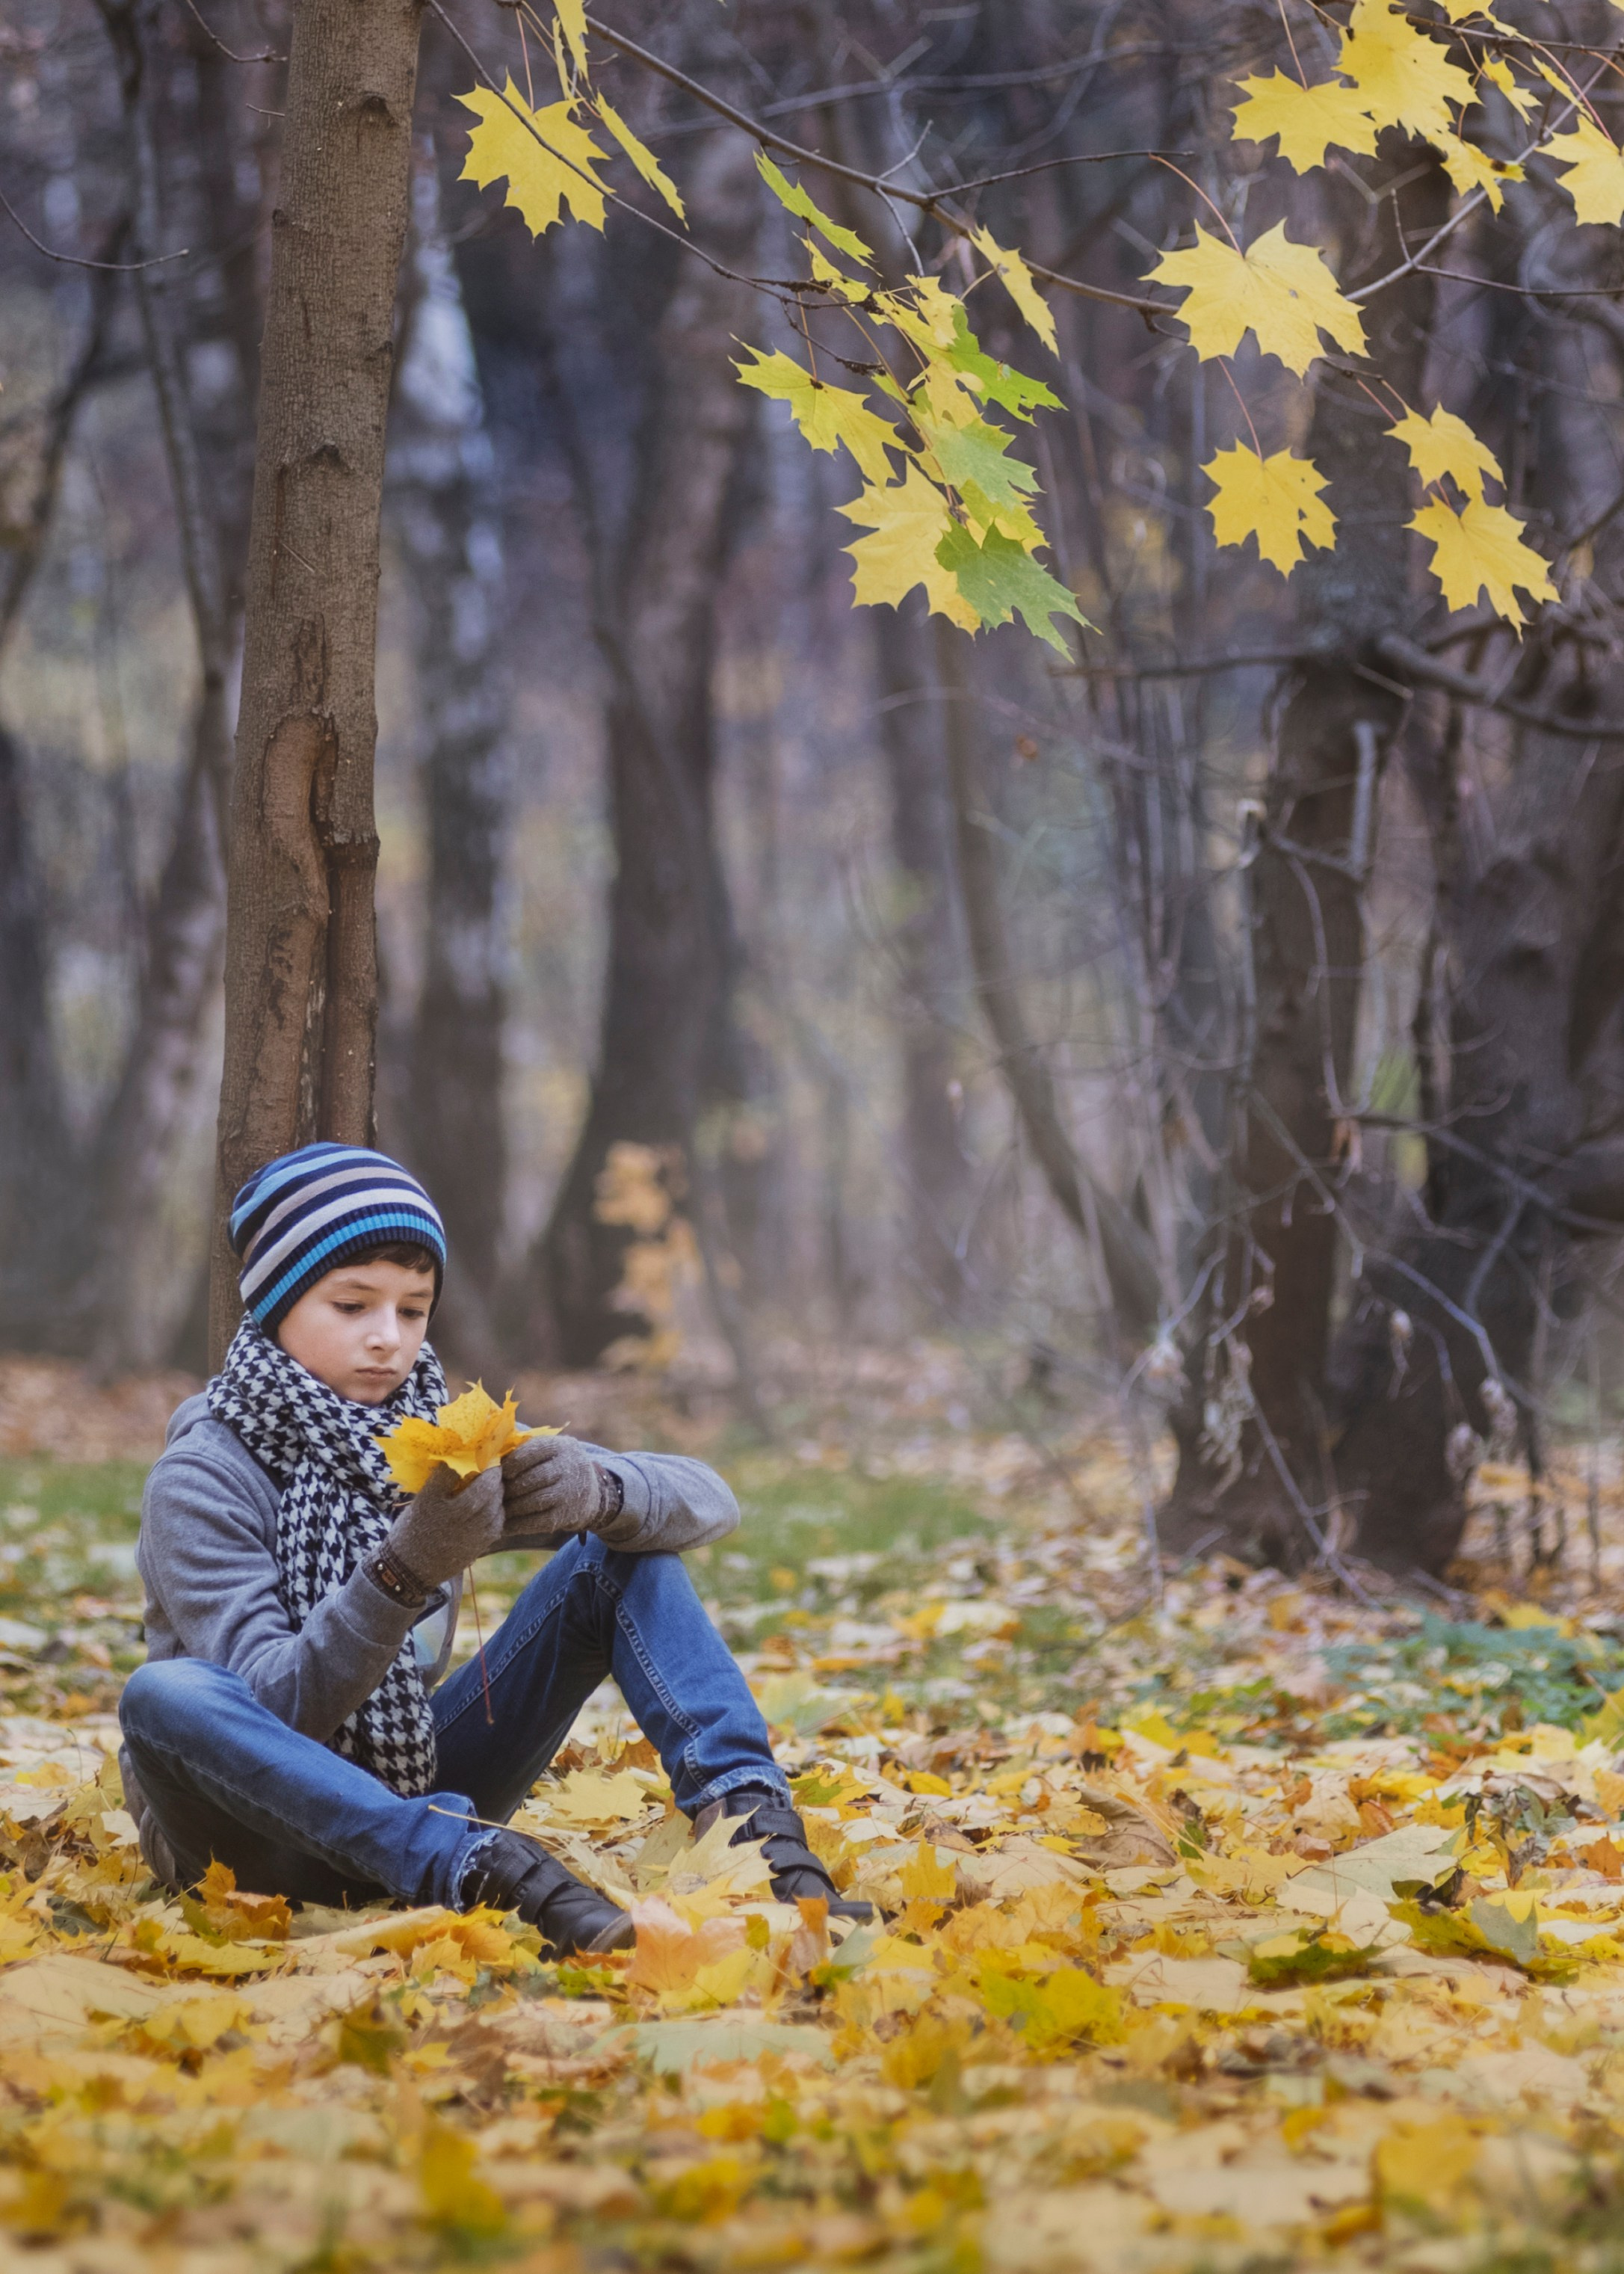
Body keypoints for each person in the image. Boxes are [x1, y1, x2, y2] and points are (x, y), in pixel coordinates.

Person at [118, 1142, 868, 1954]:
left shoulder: (437, 1448)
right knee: (165, 1694)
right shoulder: (203, 1476)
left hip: (416, 1798)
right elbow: (271, 1716)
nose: (388, 1339)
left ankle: (756, 1838)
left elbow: (710, 1502)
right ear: (273, 1305)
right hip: (242, 1850)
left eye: (412, 1309)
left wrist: (601, 1494)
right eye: (352, 1306)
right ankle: (488, 1864)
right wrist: (402, 1572)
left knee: (619, 1556)